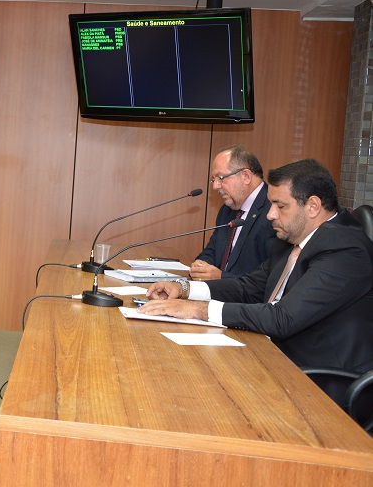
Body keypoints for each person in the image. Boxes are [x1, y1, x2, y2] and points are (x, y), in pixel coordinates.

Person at [142, 159, 373, 373]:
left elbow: (283, 318)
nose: (270, 215)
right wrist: (184, 289)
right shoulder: (293, 238)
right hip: (270, 354)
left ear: (313, 206)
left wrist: (198, 309)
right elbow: (248, 287)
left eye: (280, 206)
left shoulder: (345, 250)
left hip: (319, 377)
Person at [190, 145, 277, 280]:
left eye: (220, 178)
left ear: (246, 176)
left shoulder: (274, 211)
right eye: (214, 180)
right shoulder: (227, 209)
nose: (215, 186)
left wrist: (222, 278)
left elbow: (269, 277)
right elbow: (212, 250)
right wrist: (201, 265)